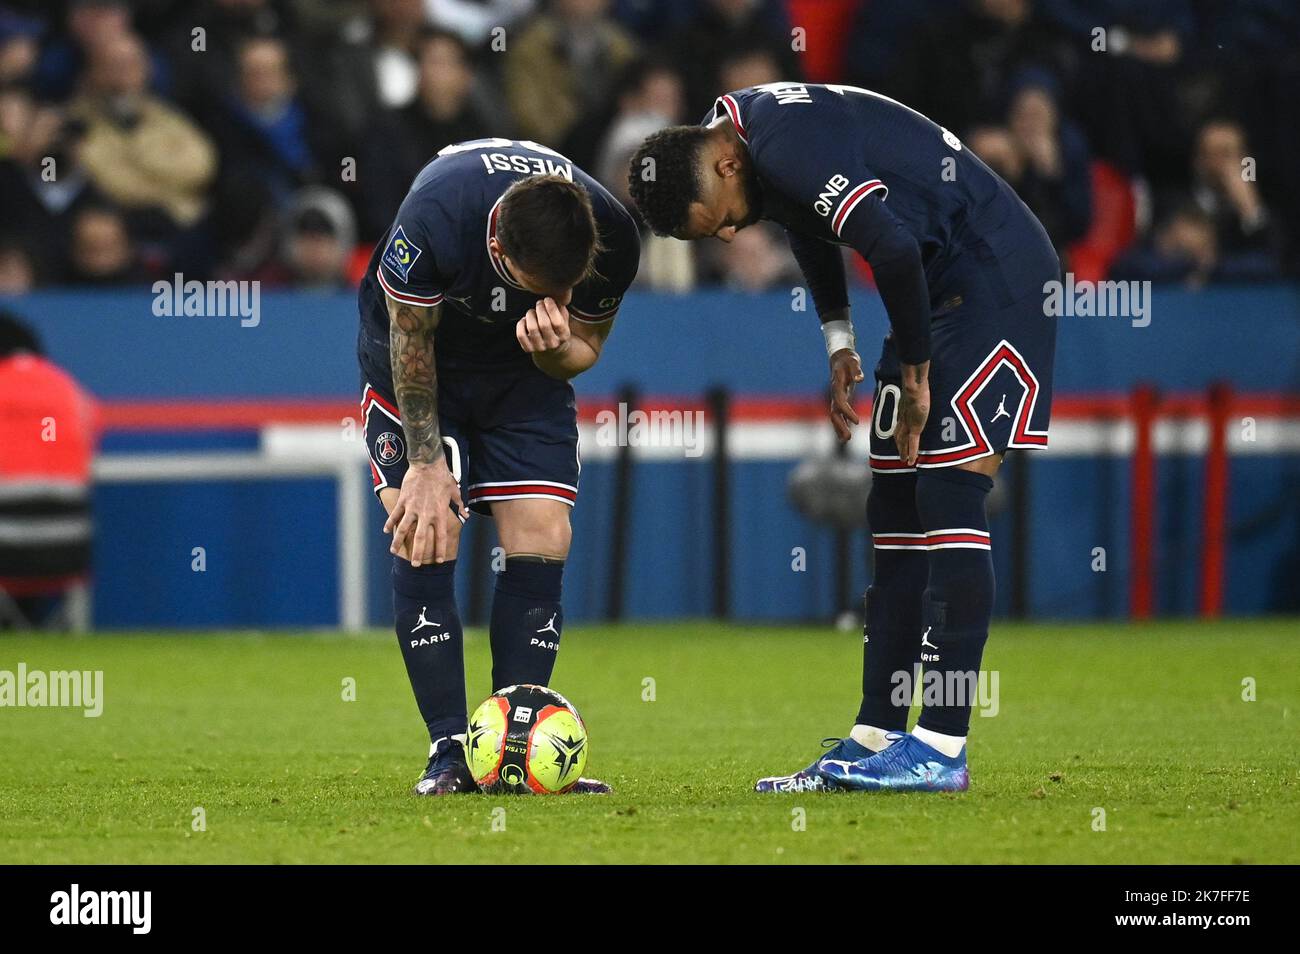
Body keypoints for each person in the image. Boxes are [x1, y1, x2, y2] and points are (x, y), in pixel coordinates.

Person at [628, 82, 1060, 793]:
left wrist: (914, 371)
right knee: (893, 509)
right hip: (936, 287)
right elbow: (810, 222)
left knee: (949, 497)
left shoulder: (783, 142)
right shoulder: (749, 140)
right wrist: (838, 336)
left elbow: (888, 246)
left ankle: (942, 744)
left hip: (995, 278)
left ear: (726, 168)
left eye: (720, 222)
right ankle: (876, 733)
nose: (732, 234)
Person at [356, 138, 640, 794]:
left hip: (520, 378)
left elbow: (584, 350)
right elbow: (411, 340)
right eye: (550, 288)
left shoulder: (614, 234)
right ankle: (449, 750)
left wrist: (558, 344)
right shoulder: (436, 218)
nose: (567, 294)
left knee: (544, 531)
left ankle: (514, 745)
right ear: (503, 257)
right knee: (426, 529)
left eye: (574, 283)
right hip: (416, 362)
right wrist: (426, 466)